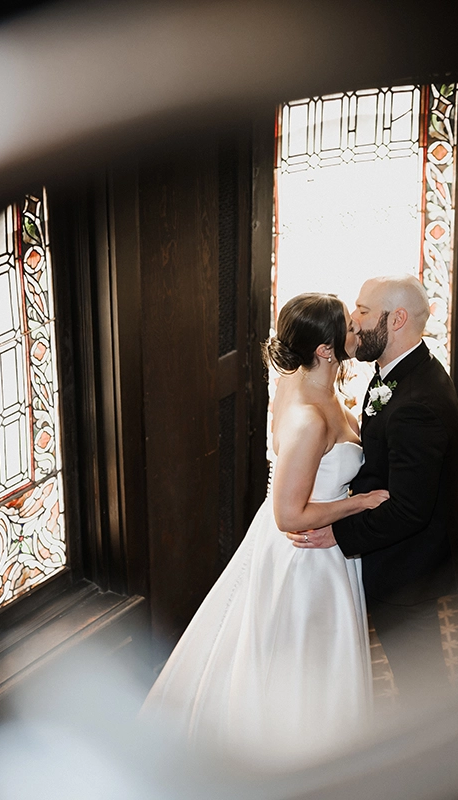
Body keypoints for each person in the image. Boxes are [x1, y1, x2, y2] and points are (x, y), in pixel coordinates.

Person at [139, 293, 388, 766]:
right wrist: (358, 503)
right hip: (308, 556)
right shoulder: (309, 420)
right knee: (302, 667)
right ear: (326, 351)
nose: (358, 331)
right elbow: (289, 517)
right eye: (349, 330)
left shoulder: (305, 384)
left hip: (321, 547)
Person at [288, 275, 458, 692]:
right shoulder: (399, 371)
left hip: (405, 568)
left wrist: (338, 532)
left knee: (422, 683)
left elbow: (408, 509)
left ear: (397, 318)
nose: (353, 319)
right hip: (391, 554)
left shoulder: (418, 403)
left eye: (364, 311)